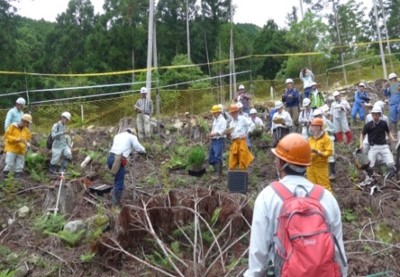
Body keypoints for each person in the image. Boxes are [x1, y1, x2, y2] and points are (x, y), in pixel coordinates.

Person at [244, 133, 347, 276]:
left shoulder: (267, 197)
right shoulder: (326, 197)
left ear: (280, 163)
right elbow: (338, 250)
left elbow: (258, 253)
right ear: (306, 165)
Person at [108, 128, 146, 207]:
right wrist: (144, 150)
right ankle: (115, 206)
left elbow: (122, 147)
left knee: (116, 179)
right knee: (119, 182)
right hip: (118, 160)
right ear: (133, 133)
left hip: (110, 158)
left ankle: (114, 198)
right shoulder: (132, 137)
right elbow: (138, 147)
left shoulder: (117, 136)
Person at [360, 107, 397, 180]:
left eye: (376, 115)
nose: (375, 116)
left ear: (380, 115)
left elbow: (388, 132)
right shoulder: (369, 125)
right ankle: (369, 179)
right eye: (373, 115)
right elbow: (362, 134)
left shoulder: (383, 123)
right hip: (373, 147)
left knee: (391, 164)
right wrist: (361, 144)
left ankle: (388, 177)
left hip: (383, 146)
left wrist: (392, 139)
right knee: (369, 165)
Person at [307, 118, 334, 192]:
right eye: (311, 126)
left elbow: (330, 152)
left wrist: (321, 153)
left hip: (321, 166)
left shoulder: (326, 138)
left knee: (324, 187)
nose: (312, 128)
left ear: (319, 127)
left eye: (314, 126)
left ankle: (328, 202)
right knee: (311, 187)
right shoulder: (310, 139)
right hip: (310, 166)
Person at [226, 104, 253, 170]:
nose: (232, 114)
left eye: (233, 112)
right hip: (234, 142)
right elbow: (231, 134)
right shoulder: (231, 123)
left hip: (242, 141)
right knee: (232, 160)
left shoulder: (243, 119)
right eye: (231, 113)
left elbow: (252, 125)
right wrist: (228, 135)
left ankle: (242, 173)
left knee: (242, 158)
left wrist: (247, 133)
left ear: (237, 112)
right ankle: (232, 175)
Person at [207, 105, 227, 176]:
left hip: (219, 140)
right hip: (214, 140)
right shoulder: (215, 120)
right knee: (211, 158)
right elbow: (213, 130)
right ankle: (216, 170)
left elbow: (222, 131)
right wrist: (210, 135)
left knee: (218, 156)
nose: (213, 114)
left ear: (218, 112)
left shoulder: (223, 121)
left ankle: (218, 173)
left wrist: (212, 134)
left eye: (214, 113)